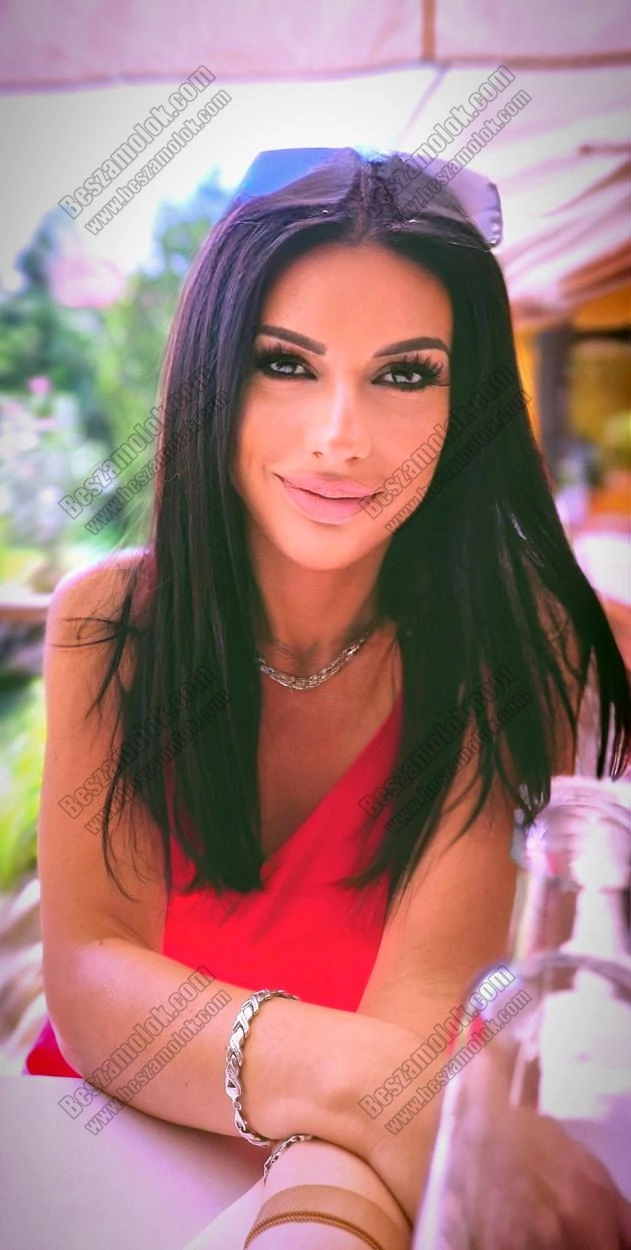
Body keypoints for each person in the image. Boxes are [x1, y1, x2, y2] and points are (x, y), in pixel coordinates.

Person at [27, 148, 631, 1248]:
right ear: (212, 375)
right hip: (101, 1151)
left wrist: (319, 1205)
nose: (341, 435)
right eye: (284, 363)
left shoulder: (507, 640)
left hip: (367, 1173)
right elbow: (91, 979)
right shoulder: (109, 623)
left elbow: (418, 1025)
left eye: (406, 374)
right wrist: (393, 1100)